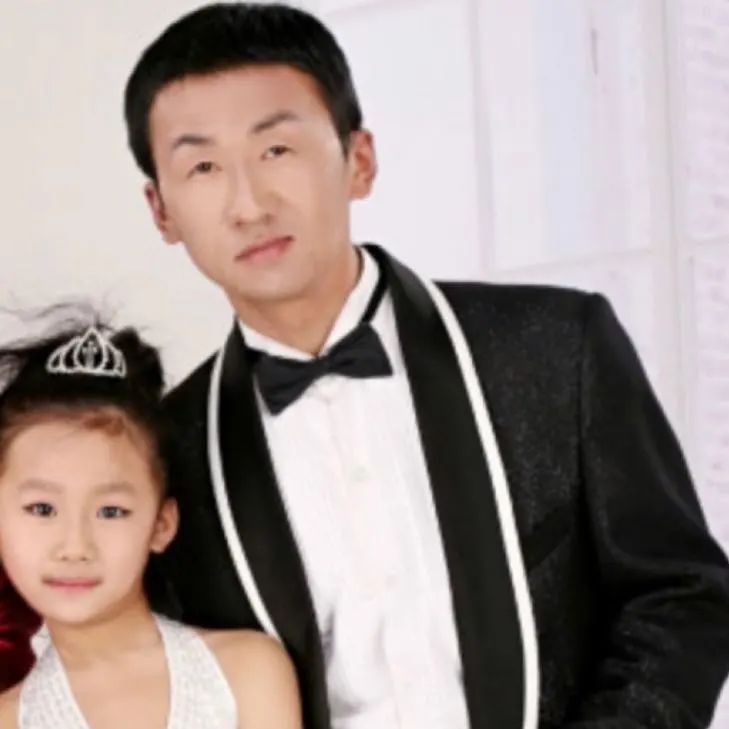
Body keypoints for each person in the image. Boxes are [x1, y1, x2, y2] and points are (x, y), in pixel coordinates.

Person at [123, 3, 729, 728]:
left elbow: (680, 596)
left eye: (277, 150)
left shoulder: (555, 346)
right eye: (202, 167)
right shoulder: (166, 450)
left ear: (359, 159)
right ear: (160, 211)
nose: (248, 204)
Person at [0, 317, 301, 728]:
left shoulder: (245, 671)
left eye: (110, 511)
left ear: (161, 524)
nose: (74, 547)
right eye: (42, 509)